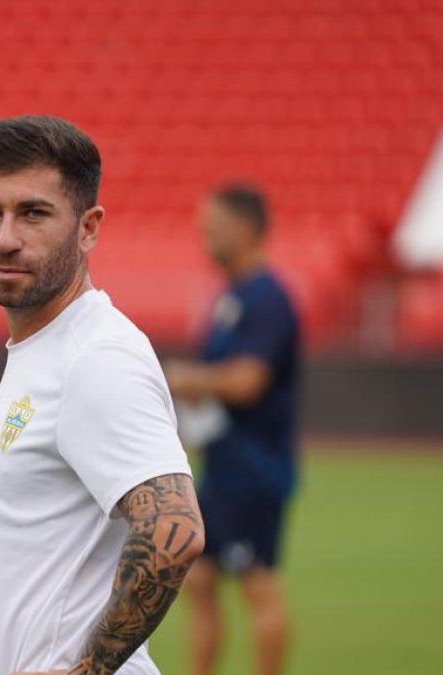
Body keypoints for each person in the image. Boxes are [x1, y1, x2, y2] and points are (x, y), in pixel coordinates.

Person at [0, 115, 205, 675]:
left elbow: (176, 530)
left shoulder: (94, 356)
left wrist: (90, 670)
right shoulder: (48, 348)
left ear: (89, 227)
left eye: (34, 213)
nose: (5, 237)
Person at [164, 184, 301, 675]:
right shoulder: (231, 297)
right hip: (222, 469)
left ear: (245, 229)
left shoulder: (268, 298)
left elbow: (248, 381)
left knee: (257, 586)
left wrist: (185, 377)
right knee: (198, 580)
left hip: (255, 471)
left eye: (214, 229)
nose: (205, 238)